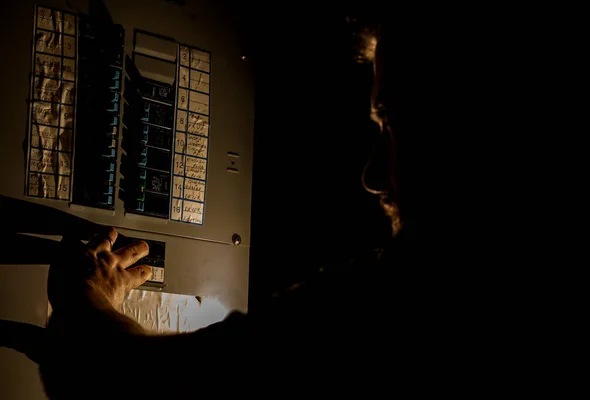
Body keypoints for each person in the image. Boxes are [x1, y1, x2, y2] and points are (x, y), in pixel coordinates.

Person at [39, 13, 416, 399]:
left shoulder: (373, 307)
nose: (371, 177)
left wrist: (87, 298)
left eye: (393, 123)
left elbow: (115, 376)